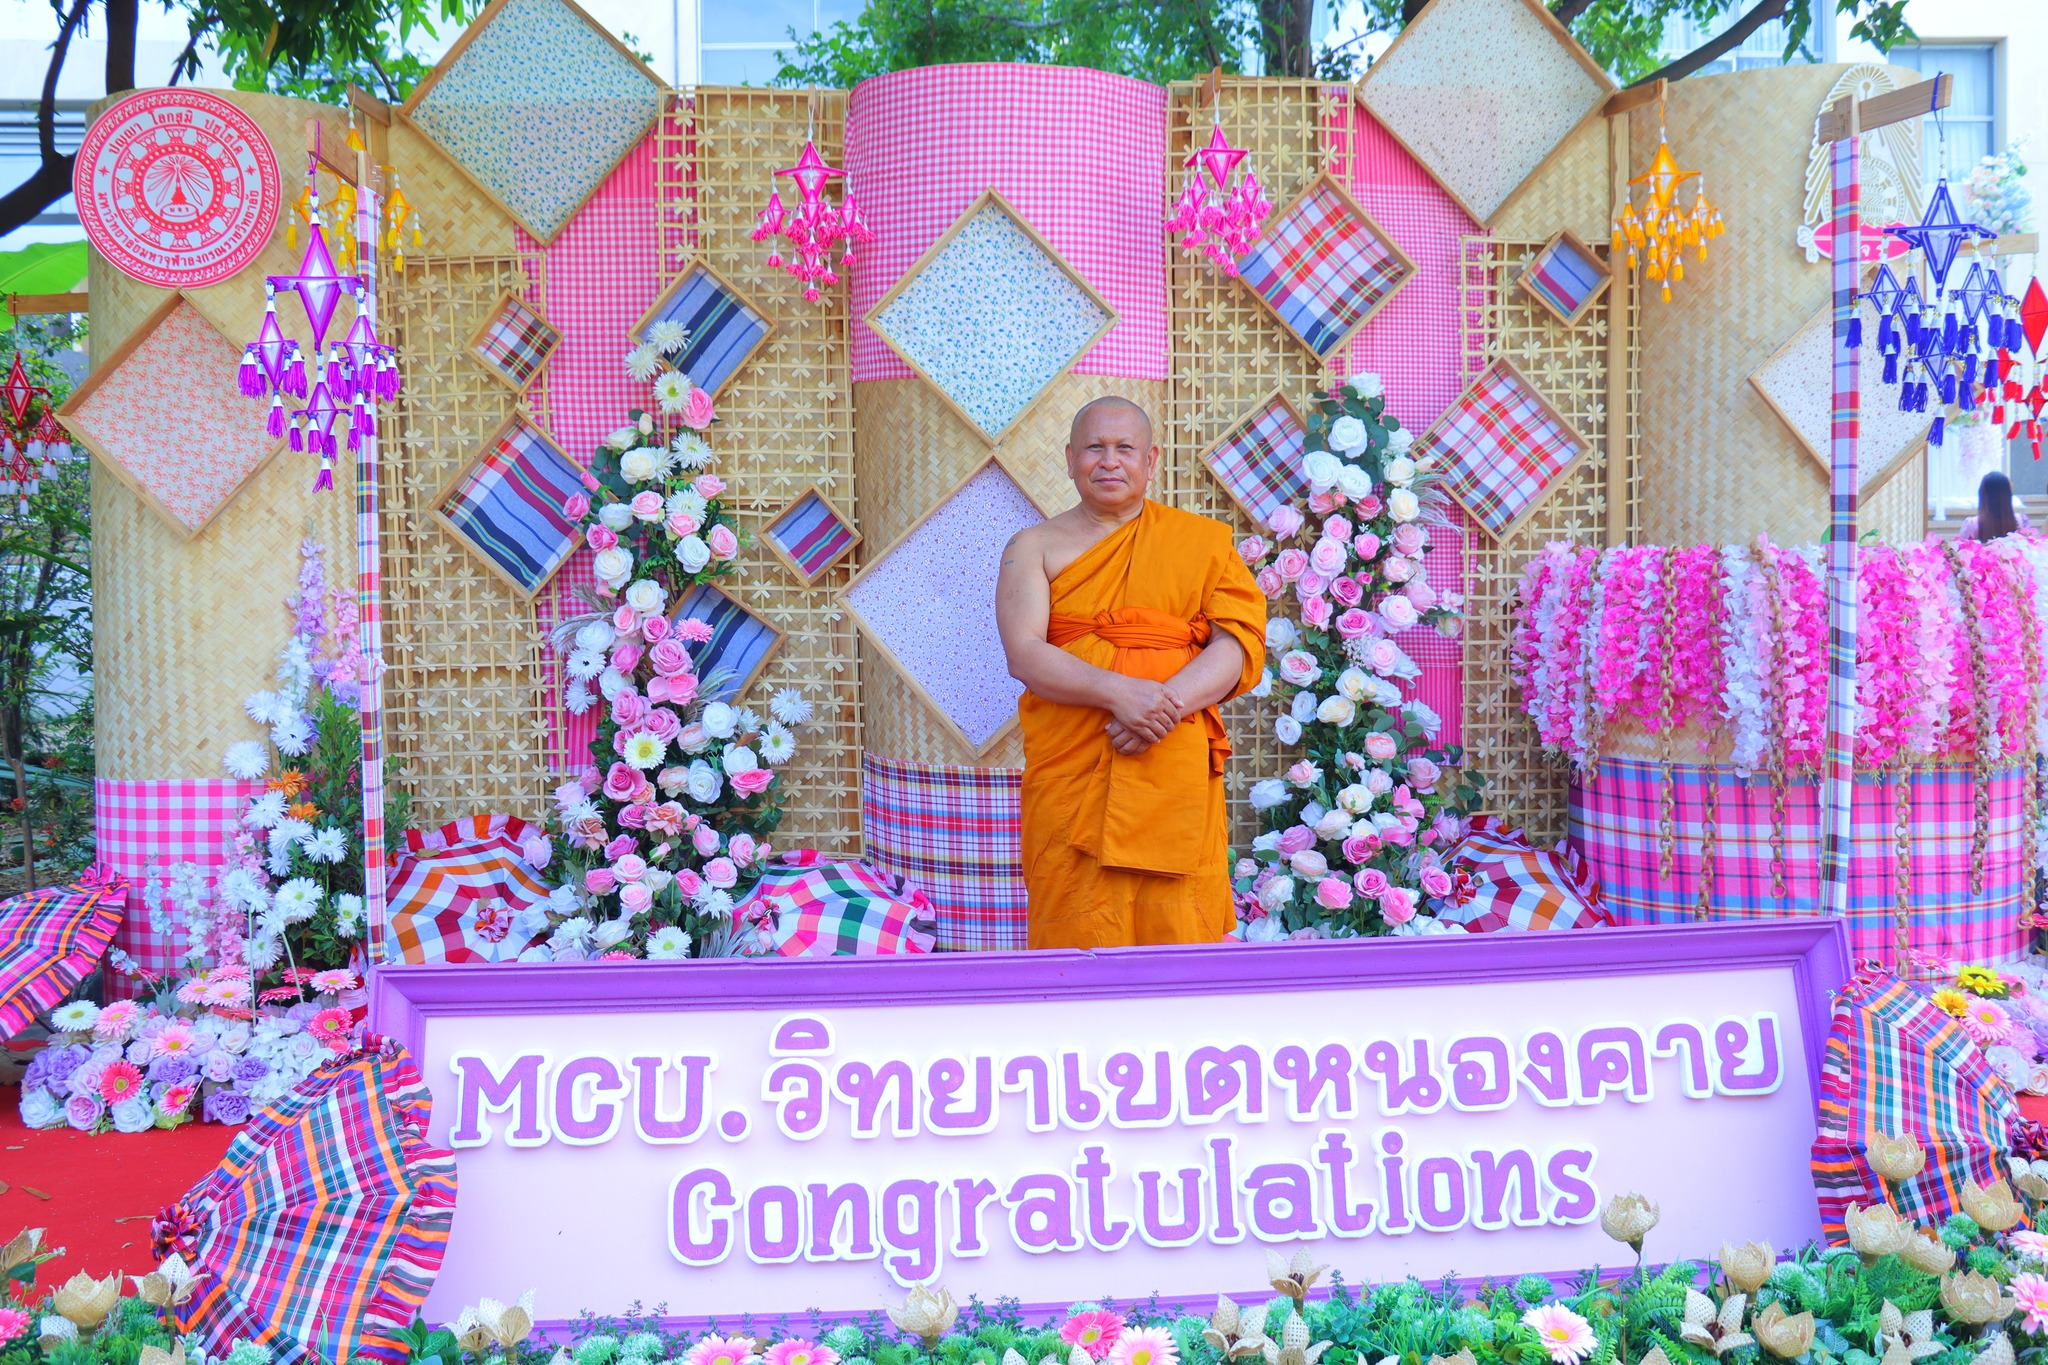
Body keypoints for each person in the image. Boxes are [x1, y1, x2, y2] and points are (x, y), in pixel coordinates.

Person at [995, 395, 1266, 949]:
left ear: (1151, 460)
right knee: (1078, 924)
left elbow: (1238, 645)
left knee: (1178, 927)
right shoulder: (1032, 546)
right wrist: (1120, 694)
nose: (1109, 461)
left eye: (1125, 448)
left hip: (1171, 757)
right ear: (1070, 459)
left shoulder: (1202, 543)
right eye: (1094, 447)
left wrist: (1161, 706)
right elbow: (1024, 651)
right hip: (1076, 761)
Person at [1959, 470, 2032, 541]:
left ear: (1983, 495)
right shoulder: (2021, 521)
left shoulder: (1971, 524)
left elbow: (1961, 547)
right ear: (2008, 495)